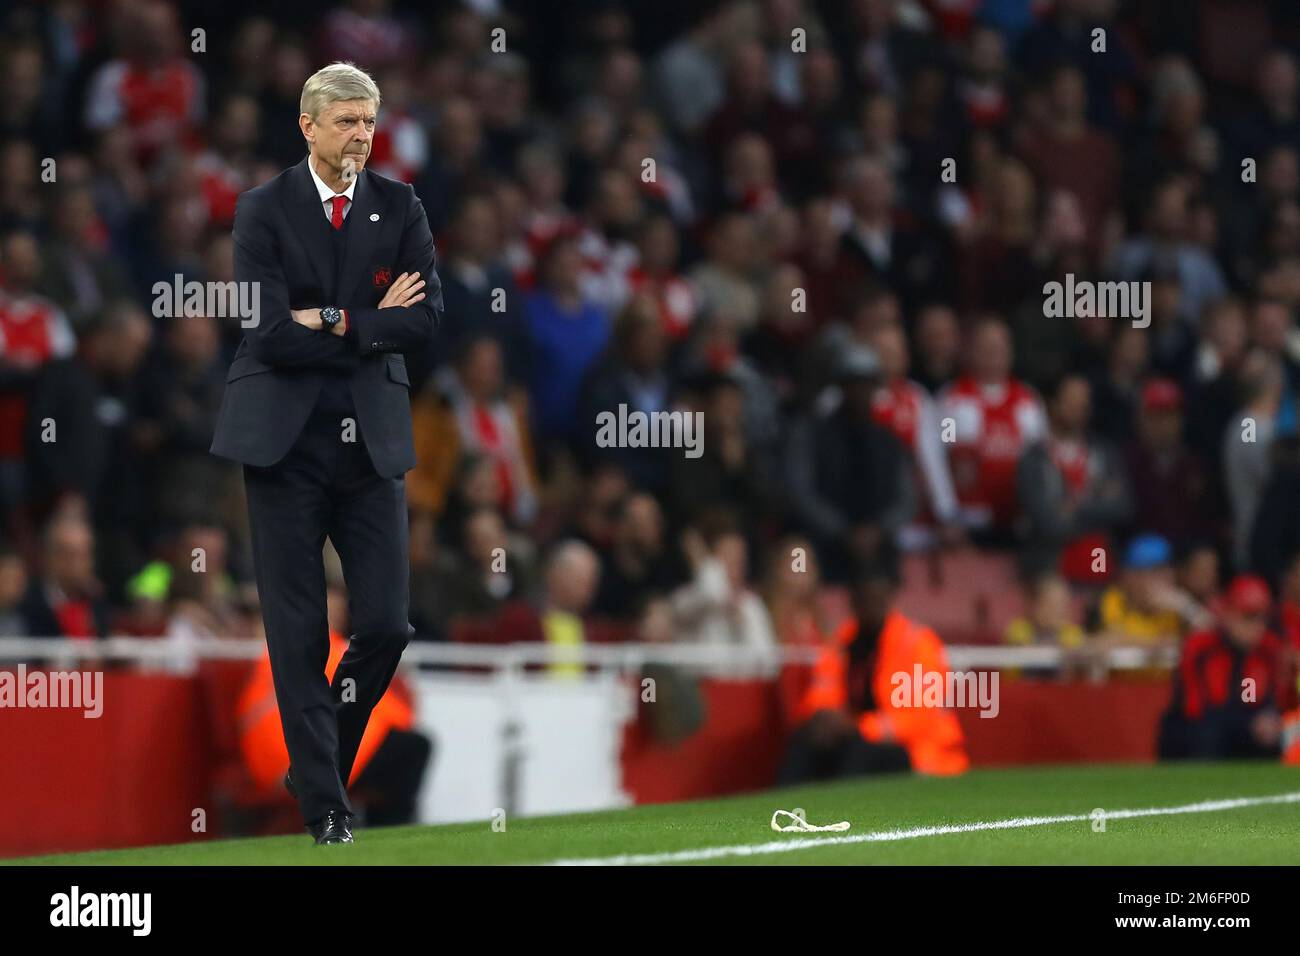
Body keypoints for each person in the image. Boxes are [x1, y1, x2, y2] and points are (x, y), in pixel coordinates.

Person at [209, 63, 443, 845]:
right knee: (299, 630)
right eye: (345, 121)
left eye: (369, 121)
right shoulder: (262, 210)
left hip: (369, 442)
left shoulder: (400, 205)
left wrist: (333, 320)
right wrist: (368, 319)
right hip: (284, 445)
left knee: (384, 623)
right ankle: (326, 807)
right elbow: (267, 331)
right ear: (307, 127)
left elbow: (426, 319)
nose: (361, 135)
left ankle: (320, 762)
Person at [780, 560, 969, 784]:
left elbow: (920, 717)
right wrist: (824, 717)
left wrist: (858, 727)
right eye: (863, 600)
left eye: (875, 599)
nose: (869, 607)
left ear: (889, 597)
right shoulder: (842, 642)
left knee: (859, 751)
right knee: (806, 738)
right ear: (853, 602)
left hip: (918, 750)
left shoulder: (918, 643)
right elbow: (822, 694)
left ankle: (846, 814)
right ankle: (783, 810)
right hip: (854, 738)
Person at [1158, 575, 1286, 760]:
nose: (1257, 627)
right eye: (1248, 617)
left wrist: (1268, 721)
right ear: (1227, 613)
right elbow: (1194, 710)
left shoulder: (1269, 652)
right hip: (1198, 732)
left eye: (1262, 618)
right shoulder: (1200, 648)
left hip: (1245, 735)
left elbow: (1270, 702)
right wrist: (1248, 724)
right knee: (1205, 735)